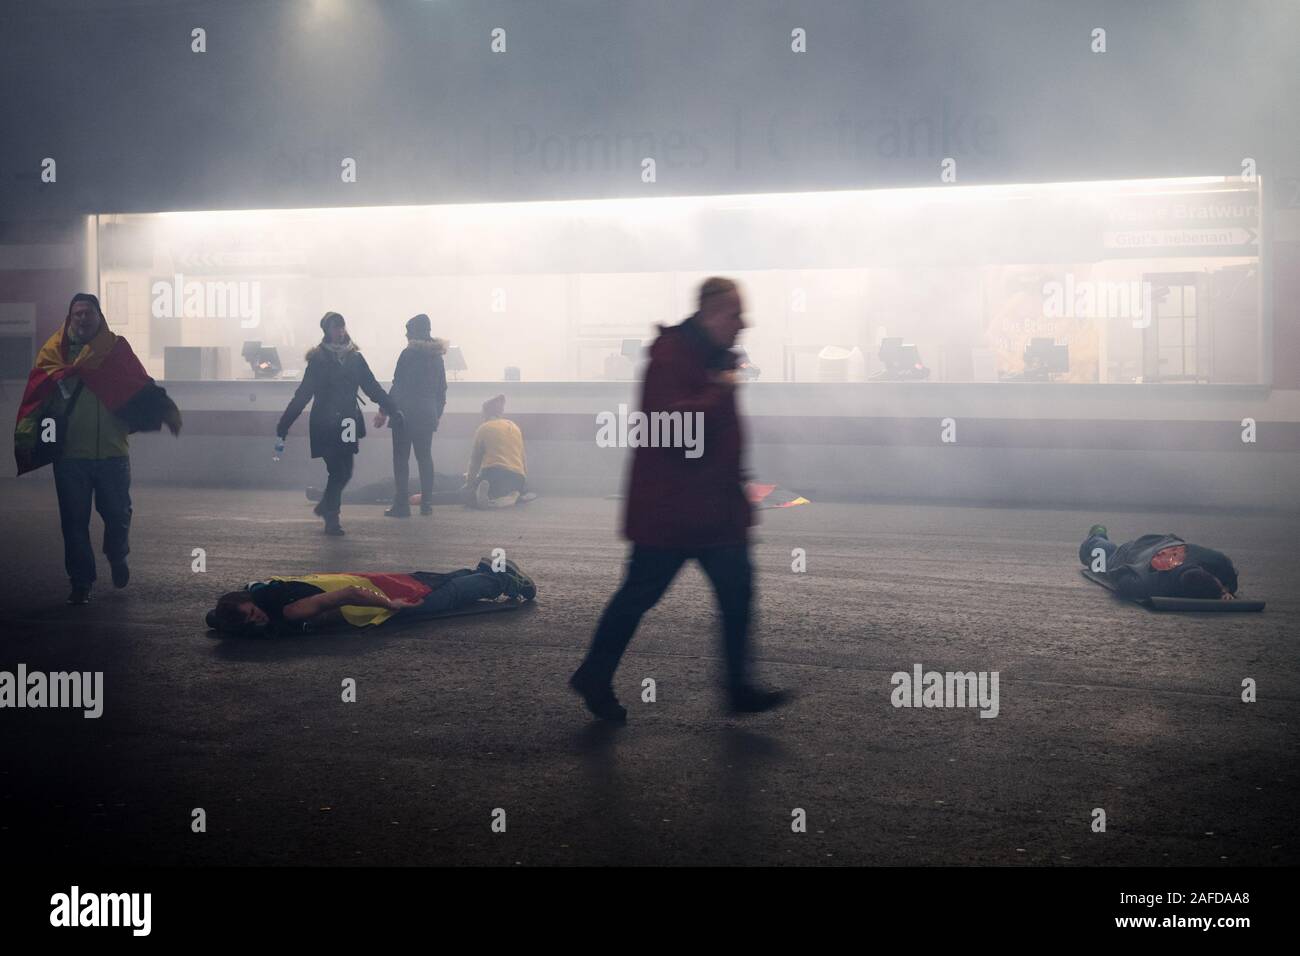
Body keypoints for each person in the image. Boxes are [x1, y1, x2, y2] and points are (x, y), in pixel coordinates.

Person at [569, 277, 788, 722]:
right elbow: (671, 431)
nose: (743, 324)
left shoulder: (709, 357)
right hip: (675, 512)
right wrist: (719, 391)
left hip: (707, 511)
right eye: (734, 314)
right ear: (709, 314)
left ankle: (735, 688)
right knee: (645, 596)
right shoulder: (673, 358)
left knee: (722, 591)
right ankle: (600, 674)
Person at [13, 293, 182, 605]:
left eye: (87, 313)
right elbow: (38, 398)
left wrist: (165, 409)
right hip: (69, 456)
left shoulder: (115, 350)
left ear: (99, 317)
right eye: (76, 314)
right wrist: (26, 438)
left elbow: (140, 384)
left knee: (118, 515)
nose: (81, 319)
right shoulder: (54, 353)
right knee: (73, 523)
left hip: (113, 453)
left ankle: (117, 556)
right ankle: (81, 583)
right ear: (69, 318)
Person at [277, 312, 401, 535]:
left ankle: (326, 506)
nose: (340, 331)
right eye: (336, 327)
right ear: (327, 330)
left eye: (342, 326)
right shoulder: (318, 360)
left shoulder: (355, 358)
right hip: (325, 422)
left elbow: (372, 387)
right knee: (337, 470)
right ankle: (332, 518)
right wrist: (285, 422)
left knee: (346, 471)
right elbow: (303, 394)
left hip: (347, 421)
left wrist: (392, 409)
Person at [206, 557, 536, 636]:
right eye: (250, 620)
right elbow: (221, 615)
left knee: (435, 601)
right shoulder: (258, 591)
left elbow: (347, 596)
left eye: (252, 613)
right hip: (351, 579)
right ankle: (482, 571)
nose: (257, 618)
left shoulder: (289, 611)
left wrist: (389, 605)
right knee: (425, 581)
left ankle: (499, 579)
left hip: (367, 594)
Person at [1078, 524, 1239, 601]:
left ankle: (1099, 540)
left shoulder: (1213, 560)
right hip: (1127, 554)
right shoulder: (1153, 583)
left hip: (1158, 542)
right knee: (1101, 555)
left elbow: (1226, 566)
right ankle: (1097, 536)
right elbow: (1122, 582)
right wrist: (1223, 590)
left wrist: (1225, 589)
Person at [463, 394, 528, 508]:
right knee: (509, 491)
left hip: (494, 475)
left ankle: (483, 497)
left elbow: (475, 462)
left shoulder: (484, 428)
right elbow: (523, 459)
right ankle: (511, 497)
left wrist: (470, 483)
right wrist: (523, 483)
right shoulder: (514, 427)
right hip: (518, 478)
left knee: (465, 495)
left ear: (485, 413)